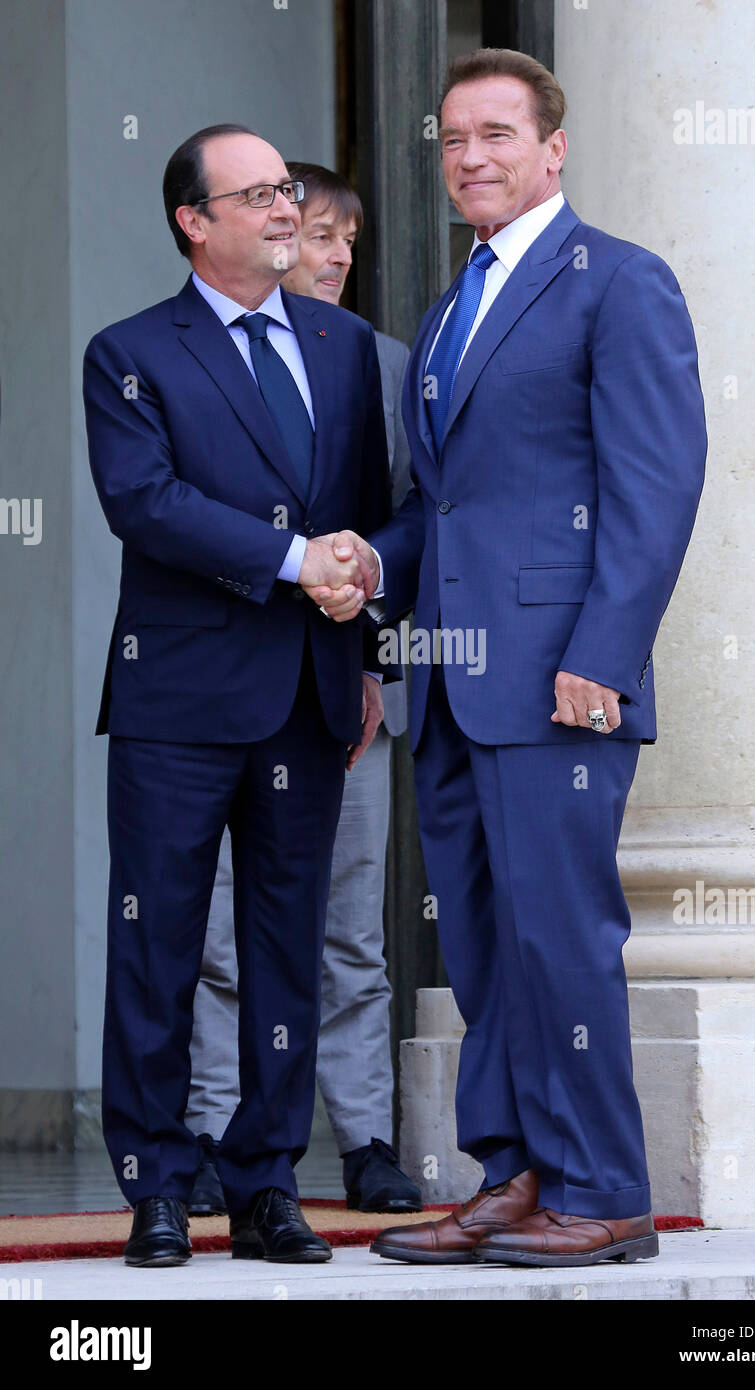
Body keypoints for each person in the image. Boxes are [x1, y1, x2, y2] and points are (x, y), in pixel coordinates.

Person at [307, 48, 707, 1268]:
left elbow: (657, 483)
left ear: (552, 149)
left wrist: (606, 650)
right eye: (453, 140)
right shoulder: (446, 309)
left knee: (559, 935)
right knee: (480, 939)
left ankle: (606, 1189)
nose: (470, 157)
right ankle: (517, 1171)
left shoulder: (620, 283)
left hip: (560, 682)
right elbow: (448, 507)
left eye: (495, 134)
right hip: (455, 673)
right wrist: (375, 567)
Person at [83, 124, 392, 1266]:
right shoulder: (128, 351)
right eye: (256, 194)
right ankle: (160, 1182)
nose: (283, 208)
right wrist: (294, 561)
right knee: (158, 944)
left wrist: (363, 618)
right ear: (194, 222)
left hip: (310, 690)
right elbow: (145, 502)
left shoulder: (345, 344)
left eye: (284, 190)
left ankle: (268, 1185)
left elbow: (368, 509)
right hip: (176, 697)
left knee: (285, 947)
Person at [185, 163, 421, 1216]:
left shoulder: (386, 369)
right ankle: (203, 1137)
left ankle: (366, 1138)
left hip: (348, 704)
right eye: (312, 232)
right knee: (222, 933)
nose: (329, 255)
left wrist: (374, 655)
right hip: (224, 695)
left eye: (344, 240)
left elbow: (416, 530)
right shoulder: (198, 360)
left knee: (347, 935)